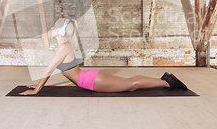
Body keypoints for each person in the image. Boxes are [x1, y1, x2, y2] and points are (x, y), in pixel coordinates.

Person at [19, 18, 187, 95]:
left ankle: (167, 82)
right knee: (129, 82)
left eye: (55, 26)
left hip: (90, 80)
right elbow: (51, 71)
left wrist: (37, 90)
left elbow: (48, 70)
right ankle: (165, 79)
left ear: (62, 31)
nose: (52, 28)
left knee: (131, 85)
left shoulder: (63, 48)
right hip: (89, 78)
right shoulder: (64, 46)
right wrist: (38, 85)